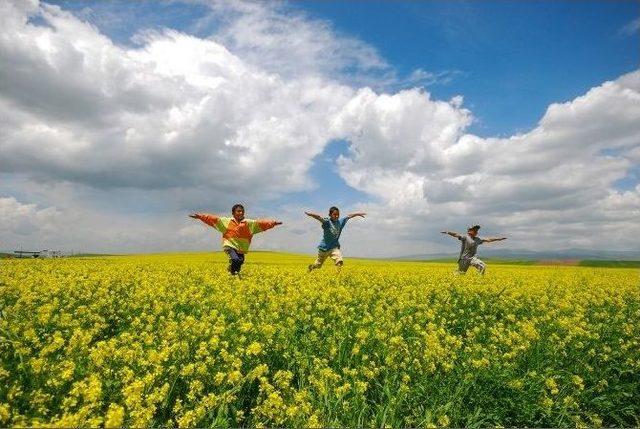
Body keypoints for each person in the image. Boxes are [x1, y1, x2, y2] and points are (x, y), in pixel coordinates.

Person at [190, 204, 282, 277]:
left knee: (240, 262)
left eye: (242, 211)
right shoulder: (226, 221)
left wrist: (273, 223)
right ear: (233, 213)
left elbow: (261, 224)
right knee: (235, 259)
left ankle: (233, 275)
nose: (241, 213)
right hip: (229, 245)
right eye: (238, 211)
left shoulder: (249, 223)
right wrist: (200, 217)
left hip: (241, 248)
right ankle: (232, 273)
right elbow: (212, 219)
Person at [305, 206, 366, 272]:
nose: (336, 216)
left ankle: (338, 277)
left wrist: (358, 214)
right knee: (318, 265)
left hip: (333, 247)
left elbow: (349, 216)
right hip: (323, 248)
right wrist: (310, 214)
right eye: (334, 214)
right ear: (330, 215)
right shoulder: (327, 222)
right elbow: (319, 217)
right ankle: (311, 267)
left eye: (338, 214)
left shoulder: (340, 222)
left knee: (339, 261)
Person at [441, 225, 506, 275]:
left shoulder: (477, 239)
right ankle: (449, 281)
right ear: (469, 231)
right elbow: (456, 234)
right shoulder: (465, 237)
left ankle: (479, 280)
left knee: (482, 266)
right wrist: (447, 232)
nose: (476, 232)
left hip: (473, 258)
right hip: (464, 258)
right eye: (475, 230)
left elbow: (488, 240)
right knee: (460, 274)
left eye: (477, 231)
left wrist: (499, 239)